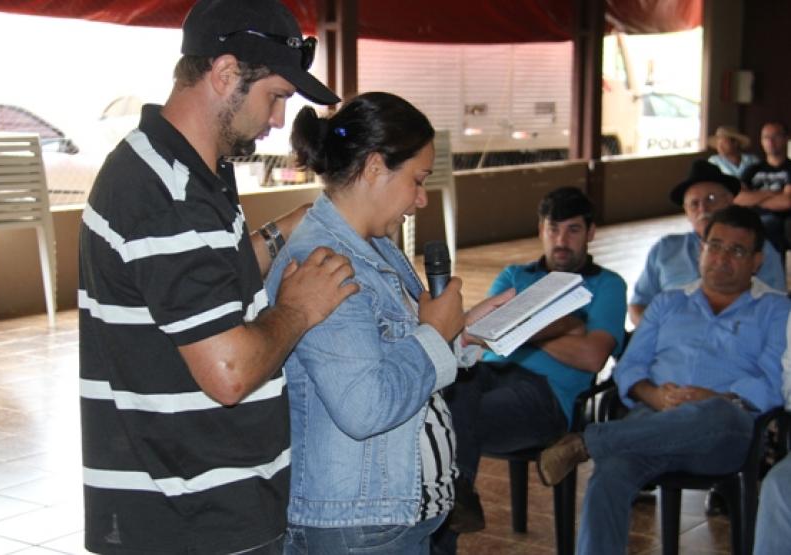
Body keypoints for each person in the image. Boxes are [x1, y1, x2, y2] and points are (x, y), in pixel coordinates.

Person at [77, 1, 360, 553]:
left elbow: (206, 282)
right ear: (226, 74)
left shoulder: (191, 168)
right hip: (187, 514)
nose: (279, 119)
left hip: (209, 495)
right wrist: (300, 309)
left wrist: (284, 232)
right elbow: (228, 372)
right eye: (275, 96)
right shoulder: (163, 191)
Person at [264, 92, 511, 554]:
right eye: (417, 180)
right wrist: (435, 334)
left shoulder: (373, 245)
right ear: (375, 166)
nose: (420, 199)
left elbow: (396, 352)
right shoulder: (325, 264)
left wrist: (459, 332)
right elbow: (365, 406)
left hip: (389, 516)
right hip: (358, 525)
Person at [537, 205, 791, 555]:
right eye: (714, 246)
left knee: (716, 412)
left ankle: (588, 441)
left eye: (736, 250)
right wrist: (652, 395)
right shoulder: (668, 302)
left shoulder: (776, 310)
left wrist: (714, 397)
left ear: (757, 261)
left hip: (724, 431)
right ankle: (599, 448)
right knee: (609, 476)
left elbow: (774, 382)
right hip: (652, 420)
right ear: (701, 249)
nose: (721, 258)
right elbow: (629, 367)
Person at [443, 186, 627, 540]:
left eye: (573, 230)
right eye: (552, 229)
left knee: (452, 428)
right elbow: (484, 333)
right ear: (541, 230)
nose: (561, 240)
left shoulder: (606, 285)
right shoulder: (515, 276)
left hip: (546, 396)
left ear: (590, 233)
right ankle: (457, 495)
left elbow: (592, 356)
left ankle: (455, 497)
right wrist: (566, 325)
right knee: (446, 396)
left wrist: (521, 327)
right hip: (488, 374)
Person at [629, 159, 785, 326]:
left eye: (711, 199)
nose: (703, 209)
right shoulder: (666, 249)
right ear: (686, 212)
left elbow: (776, 310)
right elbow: (638, 304)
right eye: (694, 204)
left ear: (730, 202)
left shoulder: (756, 249)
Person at [738, 122, 791, 257]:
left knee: (769, 225)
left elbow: (786, 201)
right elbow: (738, 197)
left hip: (781, 219)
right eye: (766, 137)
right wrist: (773, 193)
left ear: (786, 139)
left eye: (775, 136)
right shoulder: (752, 170)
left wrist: (753, 198)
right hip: (751, 216)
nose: (770, 142)